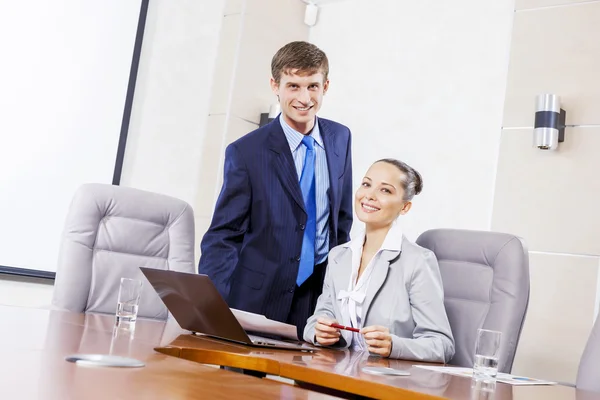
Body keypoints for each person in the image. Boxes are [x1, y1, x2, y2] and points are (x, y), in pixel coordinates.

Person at [199, 41, 353, 337]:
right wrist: (216, 308)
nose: (304, 98)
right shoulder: (246, 152)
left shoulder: (340, 139)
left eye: (313, 86)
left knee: (307, 379)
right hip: (256, 297)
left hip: (316, 297)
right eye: (293, 86)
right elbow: (223, 235)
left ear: (326, 86)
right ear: (275, 86)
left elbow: (341, 221)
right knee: (243, 383)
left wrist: (337, 291)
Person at [303, 159, 455, 362]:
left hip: (385, 381)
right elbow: (319, 316)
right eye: (366, 184)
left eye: (385, 190)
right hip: (336, 371)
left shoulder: (418, 261)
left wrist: (395, 345)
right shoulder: (339, 255)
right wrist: (318, 331)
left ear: (405, 207)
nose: (369, 195)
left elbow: (442, 345)